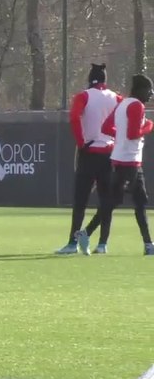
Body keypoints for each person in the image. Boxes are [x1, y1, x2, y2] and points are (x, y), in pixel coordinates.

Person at [57, 64, 119, 255]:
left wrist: (81, 142)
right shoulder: (116, 98)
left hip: (89, 152)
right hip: (109, 152)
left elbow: (75, 118)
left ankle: (72, 243)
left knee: (81, 200)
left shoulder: (84, 96)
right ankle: (102, 244)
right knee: (105, 200)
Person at [94, 74, 154, 255]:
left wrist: (119, 137)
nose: (151, 94)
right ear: (141, 90)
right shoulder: (136, 105)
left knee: (115, 202)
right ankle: (148, 245)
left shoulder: (123, 104)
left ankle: (97, 241)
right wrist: (149, 126)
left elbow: (106, 128)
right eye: (150, 90)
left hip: (121, 158)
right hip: (130, 161)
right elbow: (134, 133)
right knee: (137, 203)